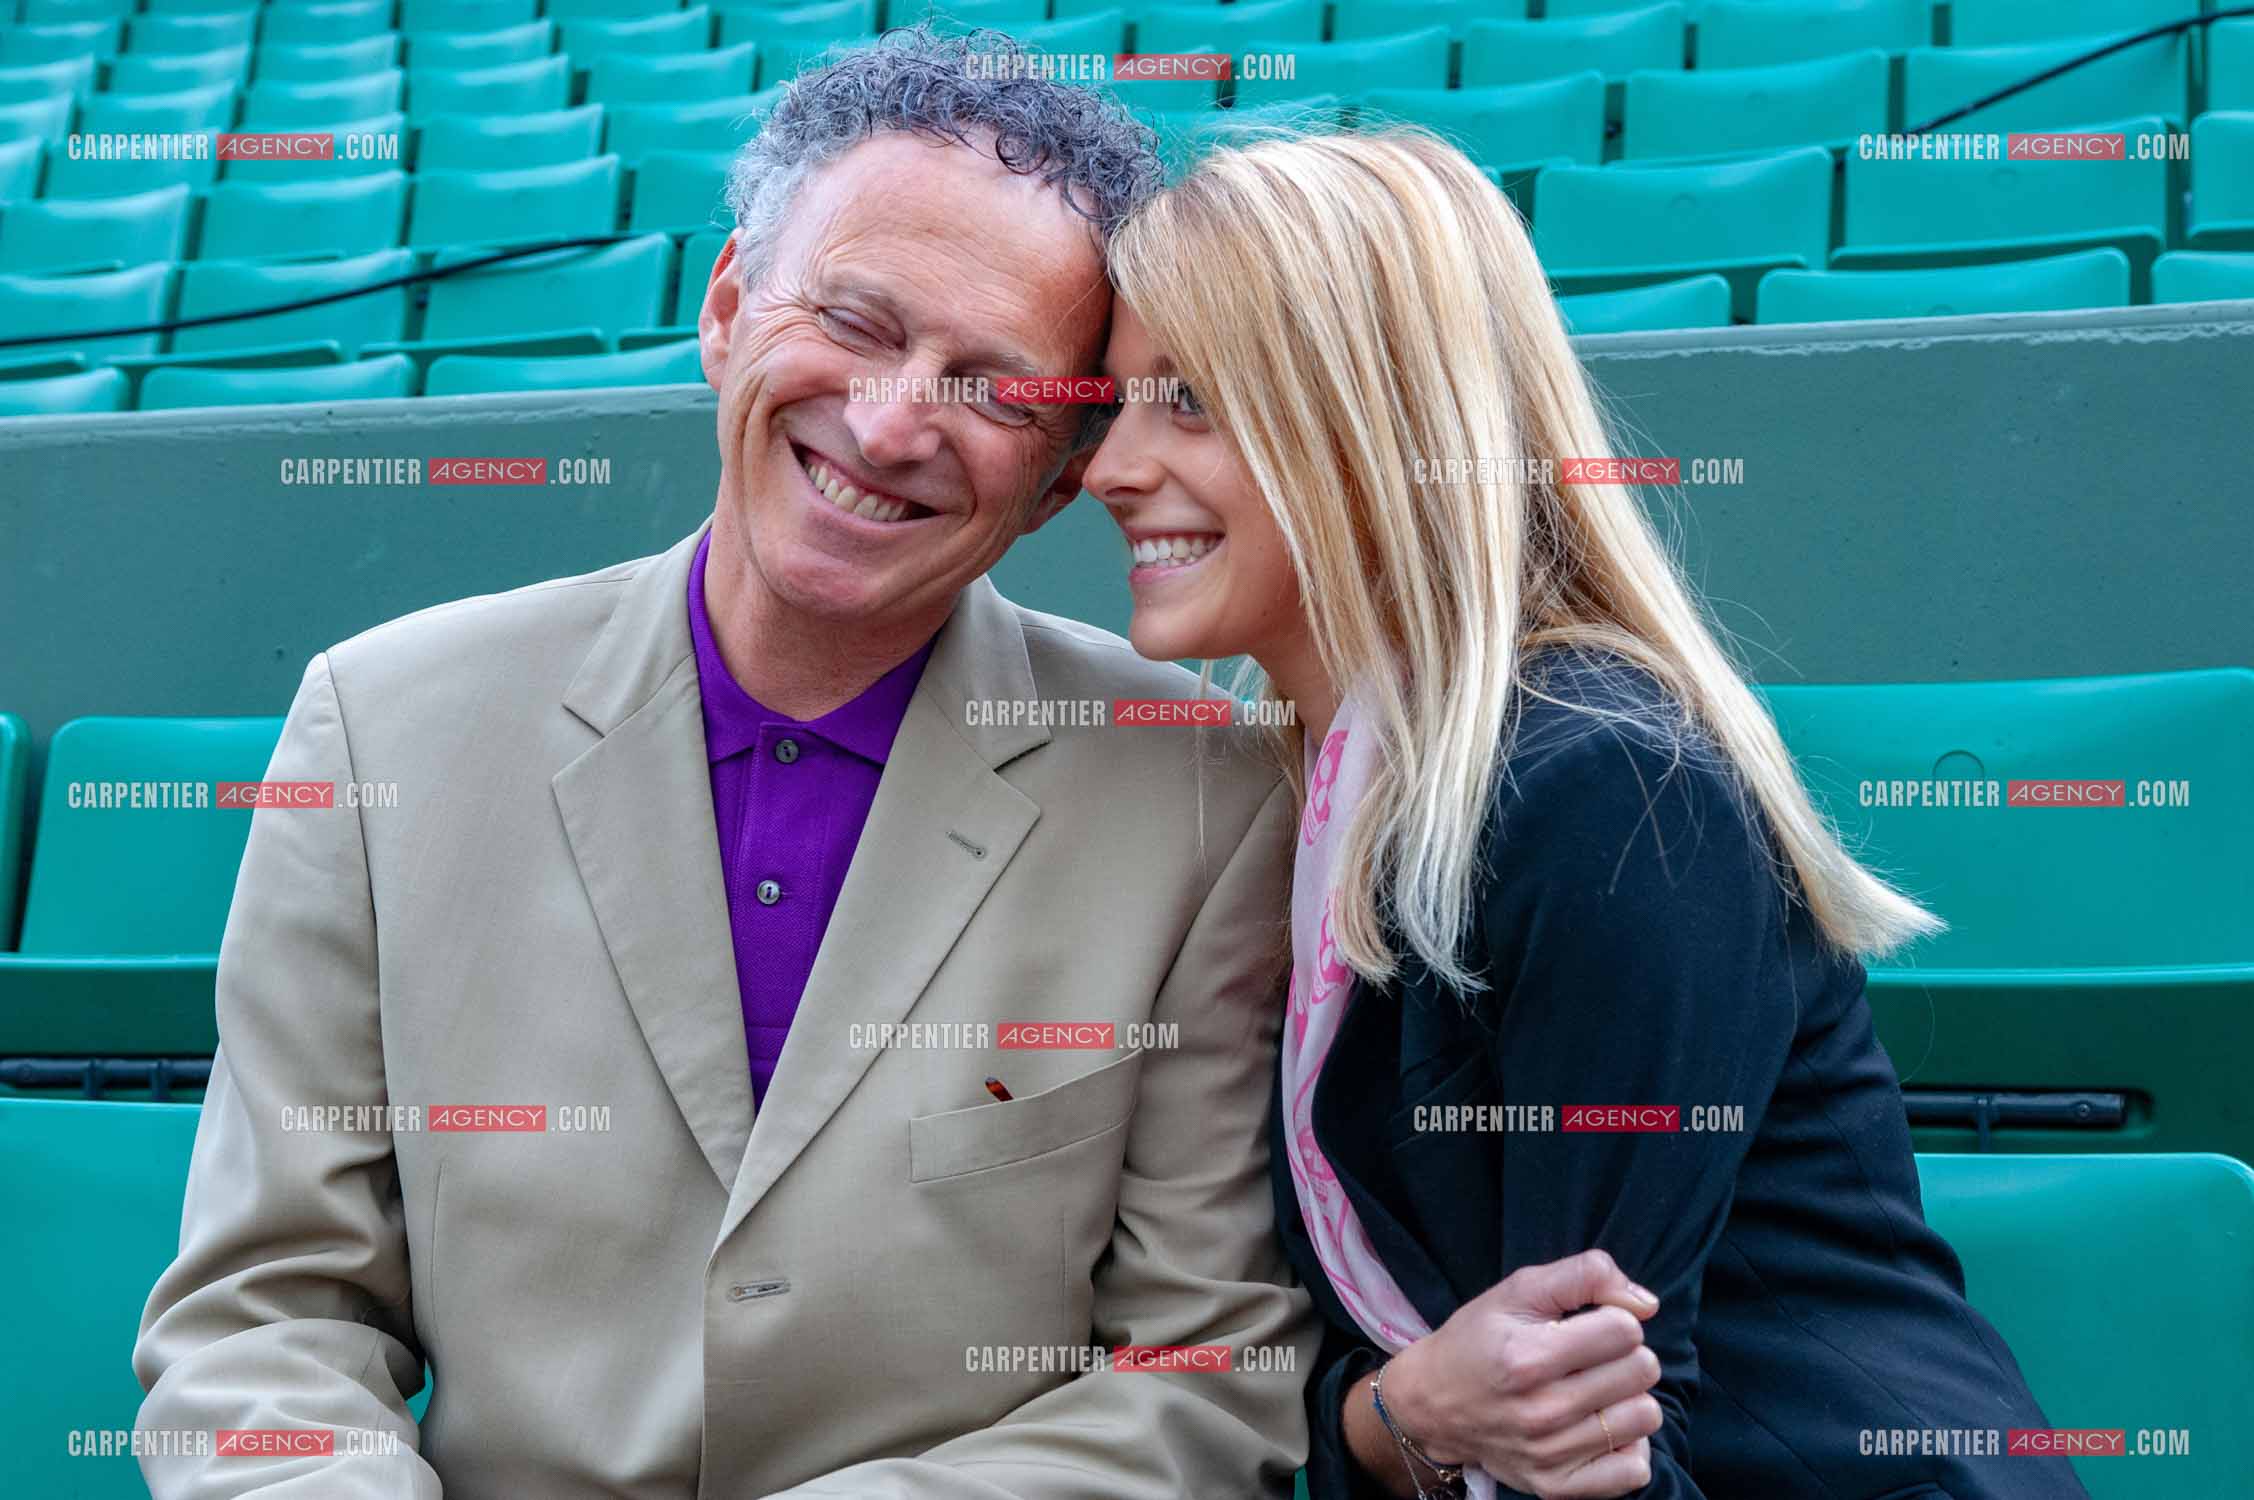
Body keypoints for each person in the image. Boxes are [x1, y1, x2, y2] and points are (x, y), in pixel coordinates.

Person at [133, 29, 1320, 1498]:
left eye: (994, 386)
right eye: (859, 321)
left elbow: (1199, 1380)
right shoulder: (382, 724)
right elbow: (267, 1322)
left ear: (1064, 472)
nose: (892, 424)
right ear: (724, 307)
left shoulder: (1200, 798)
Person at [1083, 129, 2095, 1500]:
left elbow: (1601, 1447)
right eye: (1114, 407)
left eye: (1188, 402)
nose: (1108, 469)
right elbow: (1416, 1399)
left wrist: (1401, 1426)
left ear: (1367, 422)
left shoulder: (1604, 790)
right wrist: (1393, 1421)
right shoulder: (1303, 786)